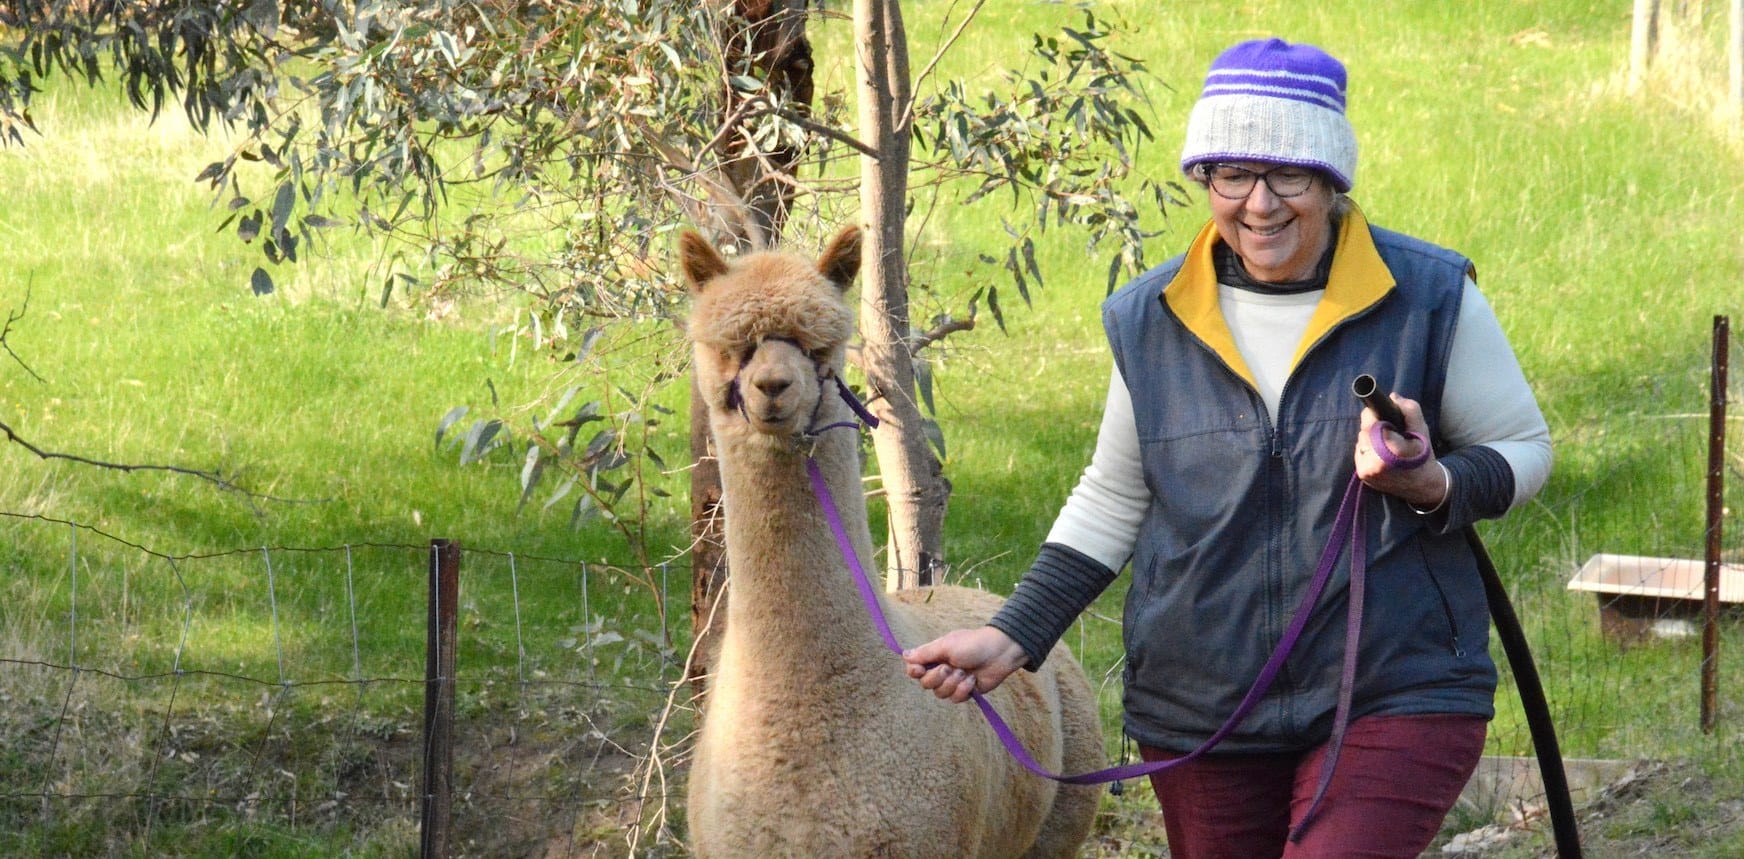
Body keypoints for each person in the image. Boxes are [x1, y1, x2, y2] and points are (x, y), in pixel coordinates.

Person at [902, 38, 1552, 858]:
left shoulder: (1426, 295)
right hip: (1202, 704)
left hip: (1395, 685)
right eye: (1230, 175)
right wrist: (1011, 635)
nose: (1259, 204)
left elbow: (1523, 447)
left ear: (1330, 180)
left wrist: (1430, 481)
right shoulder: (1152, 317)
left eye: (1289, 175)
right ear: (1204, 179)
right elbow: (1113, 495)